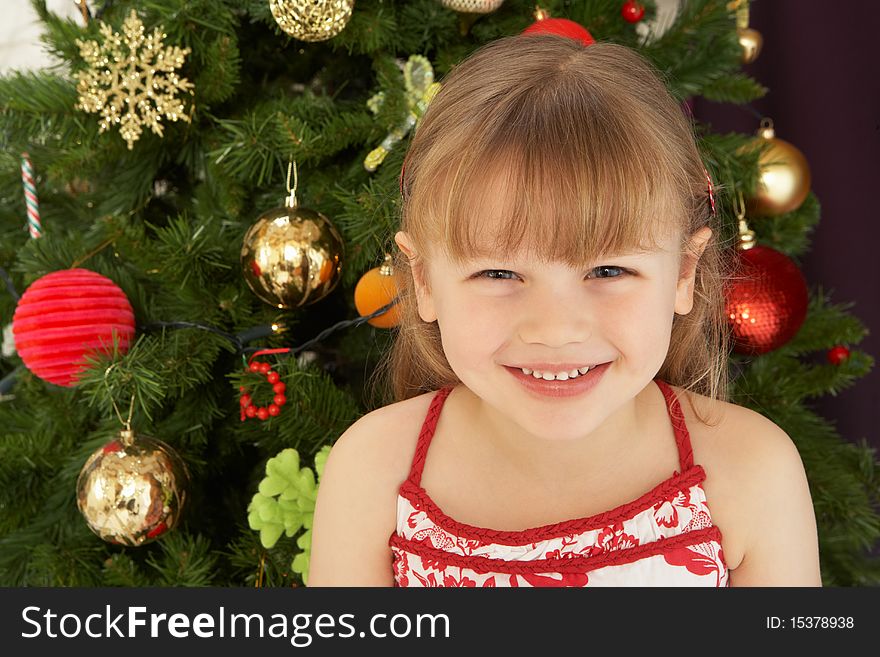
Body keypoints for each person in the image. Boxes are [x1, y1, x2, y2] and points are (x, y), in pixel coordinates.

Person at [307, 33, 821, 587]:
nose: (555, 329)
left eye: (608, 271)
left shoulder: (750, 472)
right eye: (498, 274)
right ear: (425, 280)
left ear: (683, 273)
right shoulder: (373, 472)